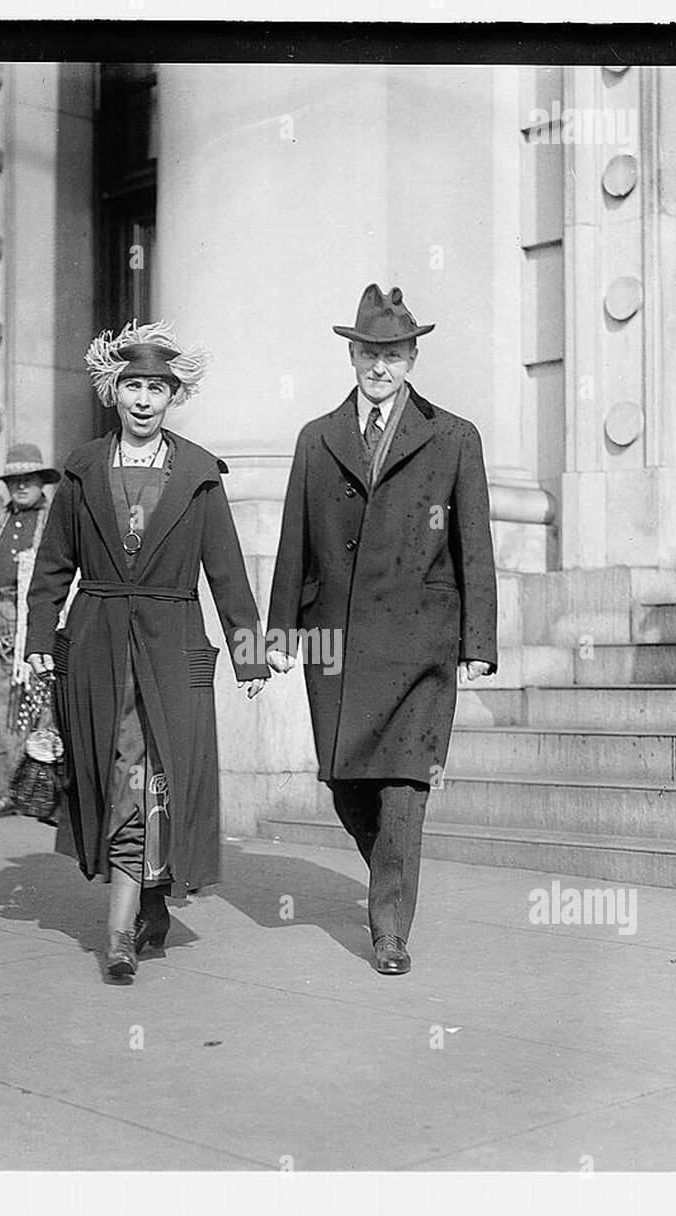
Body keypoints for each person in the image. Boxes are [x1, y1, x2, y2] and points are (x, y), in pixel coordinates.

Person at [25, 321, 269, 980]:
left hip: (171, 645)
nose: (142, 399)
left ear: (172, 395)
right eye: (131, 384)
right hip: (98, 645)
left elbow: (226, 573)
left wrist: (250, 655)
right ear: (112, 390)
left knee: (157, 774)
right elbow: (52, 568)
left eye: (155, 388)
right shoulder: (81, 471)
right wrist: (38, 641)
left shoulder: (196, 474)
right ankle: (128, 919)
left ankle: (134, 915)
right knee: (122, 773)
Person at [266, 284, 498, 975]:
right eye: (369, 351)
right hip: (334, 642)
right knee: (343, 781)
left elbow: (474, 545)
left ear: (412, 356)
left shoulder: (454, 436)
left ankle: (389, 925)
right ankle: (388, 879)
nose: (380, 365)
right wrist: (278, 632)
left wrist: (478, 643)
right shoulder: (317, 437)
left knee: (403, 784)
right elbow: (293, 540)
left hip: (419, 642)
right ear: (351, 354)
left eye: (393, 353)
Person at [0, 443, 62, 819]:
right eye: (15, 480)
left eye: (28, 480)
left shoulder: (54, 523)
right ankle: (7, 793)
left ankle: (47, 799)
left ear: (41, 484)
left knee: (46, 713)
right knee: (2, 712)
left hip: (40, 625)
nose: (21, 486)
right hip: (1, 631)